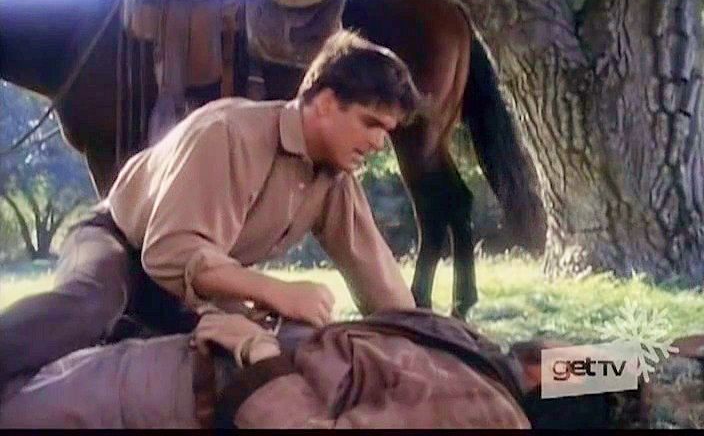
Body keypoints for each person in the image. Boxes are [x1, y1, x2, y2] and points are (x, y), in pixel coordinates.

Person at [0, 30, 422, 390]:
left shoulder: (336, 180)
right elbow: (169, 251)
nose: (379, 143)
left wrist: (428, 344)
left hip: (189, 289)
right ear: (326, 103)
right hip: (120, 240)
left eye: (387, 131)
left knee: (272, 353)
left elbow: (381, 281)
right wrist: (277, 292)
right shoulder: (230, 133)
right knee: (90, 306)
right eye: (371, 123)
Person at [0, 309, 533, 429]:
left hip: (186, 395)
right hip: (180, 362)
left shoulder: (491, 414)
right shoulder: (486, 361)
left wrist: (260, 352)